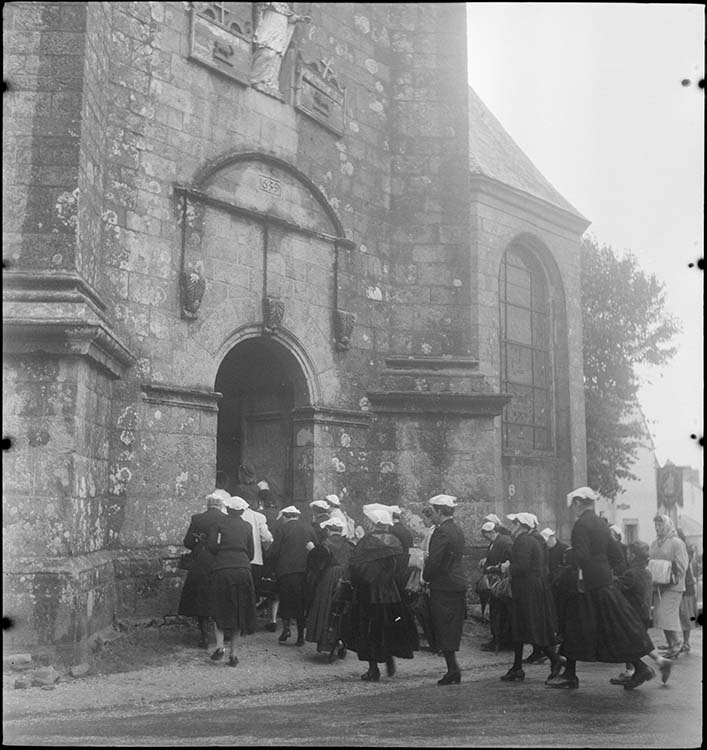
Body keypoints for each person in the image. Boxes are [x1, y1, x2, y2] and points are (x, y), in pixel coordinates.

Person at [547, 487, 659, 691]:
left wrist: (568, 557)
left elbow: (581, 555)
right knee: (614, 629)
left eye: (575, 505)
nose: (574, 509)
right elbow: (616, 554)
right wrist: (607, 573)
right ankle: (639, 667)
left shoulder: (581, 525)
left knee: (575, 626)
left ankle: (570, 675)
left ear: (579, 503)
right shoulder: (600, 523)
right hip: (604, 584)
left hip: (586, 586)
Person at [347, 503, 419, 681]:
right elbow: (401, 568)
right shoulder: (395, 542)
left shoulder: (366, 542)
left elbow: (354, 566)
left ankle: (373, 668)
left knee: (368, 629)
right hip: (390, 592)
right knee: (388, 626)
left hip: (369, 593)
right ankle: (388, 656)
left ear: (373, 524)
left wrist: (360, 582)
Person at [498, 513, 565, 683]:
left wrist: (507, 567)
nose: (512, 526)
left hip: (527, 590)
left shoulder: (524, 541)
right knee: (521, 628)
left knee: (528, 627)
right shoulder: (532, 540)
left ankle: (554, 659)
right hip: (530, 588)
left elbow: (522, 566)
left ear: (521, 525)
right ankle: (517, 667)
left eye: (514, 523)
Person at [610, 541, 673, 685]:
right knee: (638, 644)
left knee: (627, 644)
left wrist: (612, 580)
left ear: (633, 555)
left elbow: (619, 587)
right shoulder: (646, 572)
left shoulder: (631, 573)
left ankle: (635, 670)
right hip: (644, 614)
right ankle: (656, 663)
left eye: (628, 553)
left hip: (633, 615)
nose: (627, 556)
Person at [207, 495, 256, 666]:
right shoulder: (247, 526)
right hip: (243, 569)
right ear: (242, 510)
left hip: (223, 568)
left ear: (227, 509)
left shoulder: (218, 524)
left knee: (219, 606)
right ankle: (234, 654)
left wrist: (223, 552)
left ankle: (220, 646)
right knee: (239, 611)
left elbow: (211, 546)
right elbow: (251, 553)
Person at [423, 494, 467, 685]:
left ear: (439, 511)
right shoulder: (456, 529)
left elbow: (434, 561)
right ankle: (452, 668)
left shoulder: (441, 532)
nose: (431, 515)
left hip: (444, 584)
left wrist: (425, 577)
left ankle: (452, 669)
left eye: (433, 512)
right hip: (456, 583)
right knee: (451, 626)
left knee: (444, 626)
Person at [177, 489, 230, 648]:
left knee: (200, 598)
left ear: (207, 505)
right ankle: (224, 633)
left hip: (201, 562)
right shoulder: (226, 519)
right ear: (220, 505)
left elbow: (187, 542)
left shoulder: (198, 519)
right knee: (221, 597)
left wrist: (198, 542)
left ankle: (205, 636)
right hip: (219, 562)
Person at [304, 517, 355, 658]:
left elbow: (316, 565)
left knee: (326, 606)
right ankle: (340, 640)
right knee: (342, 608)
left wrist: (311, 551)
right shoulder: (349, 544)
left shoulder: (325, 544)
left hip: (329, 576)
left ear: (328, 529)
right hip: (345, 576)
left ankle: (326, 641)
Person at [269, 505, 318, 646]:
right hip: (304, 571)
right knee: (300, 603)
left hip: (285, 571)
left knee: (285, 601)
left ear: (285, 516)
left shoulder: (282, 529)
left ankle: (286, 629)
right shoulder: (308, 528)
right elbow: (316, 547)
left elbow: (275, 551)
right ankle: (301, 636)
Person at [250, 2, 310, 97]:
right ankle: (256, 77)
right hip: (269, 26)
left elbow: (289, 17)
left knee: (276, 56)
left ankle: (269, 82)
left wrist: (300, 18)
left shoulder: (284, 6)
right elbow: (259, 7)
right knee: (267, 53)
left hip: (280, 31)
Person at [649, 515, 689, 659]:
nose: (657, 527)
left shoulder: (676, 543)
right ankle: (672, 644)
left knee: (666, 614)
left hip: (673, 586)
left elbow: (683, 563)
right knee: (660, 616)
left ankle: (676, 643)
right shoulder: (655, 543)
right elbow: (650, 560)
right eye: (656, 525)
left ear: (666, 525)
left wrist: (667, 570)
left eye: (659, 525)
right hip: (659, 585)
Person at [479, 520, 513, 652]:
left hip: (500, 581)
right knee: (496, 611)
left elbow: (509, 560)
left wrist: (495, 567)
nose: (486, 537)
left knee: (499, 611)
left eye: (487, 534)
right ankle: (498, 639)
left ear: (493, 532)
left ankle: (500, 640)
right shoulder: (495, 542)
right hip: (495, 580)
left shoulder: (504, 542)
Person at [256, 480, 281, 631]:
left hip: (262, 555)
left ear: (261, 501)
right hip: (276, 556)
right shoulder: (280, 515)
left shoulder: (259, 515)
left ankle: (251, 617)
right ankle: (273, 619)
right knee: (275, 590)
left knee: (258, 587)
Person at [241, 497, 274, 608]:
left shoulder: (230, 516)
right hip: (255, 559)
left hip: (236, 561)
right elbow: (267, 538)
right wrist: (266, 550)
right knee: (252, 591)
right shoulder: (258, 517)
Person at [676, 529, 697, 655]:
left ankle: (686, 642)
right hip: (681, 586)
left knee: (686, 615)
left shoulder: (686, 551)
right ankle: (680, 642)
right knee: (680, 616)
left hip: (687, 587)